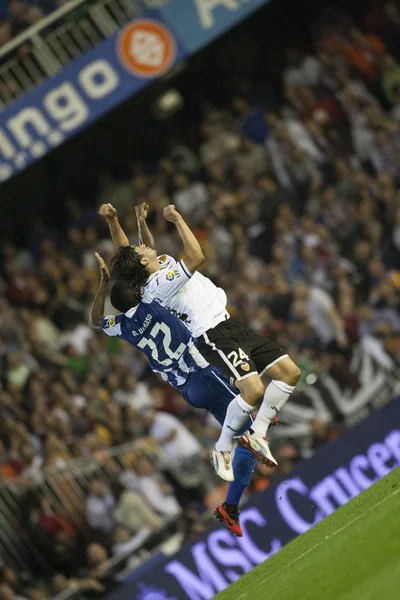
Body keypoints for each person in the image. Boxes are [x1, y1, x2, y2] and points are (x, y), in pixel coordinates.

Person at [99, 202, 301, 473]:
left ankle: (258, 432)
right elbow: (196, 256)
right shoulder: (159, 284)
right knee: (253, 391)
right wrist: (178, 219)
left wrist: (120, 220)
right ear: (143, 262)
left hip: (229, 324)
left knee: (289, 373)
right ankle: (223, 446)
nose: (142, 244)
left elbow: (129, 254)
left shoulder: (159, 268)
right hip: (212, 334)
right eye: (141, 249)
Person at [89, 253, 258, 536]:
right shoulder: (153, 300)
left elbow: (95, 320)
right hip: (204, 374)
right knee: (253, 425)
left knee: (249, 439)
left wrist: (104, 284)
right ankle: (224, 450)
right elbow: (142, 267)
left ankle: (231, 506)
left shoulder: (122, 325)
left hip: (187, 390)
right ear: (138, 291)